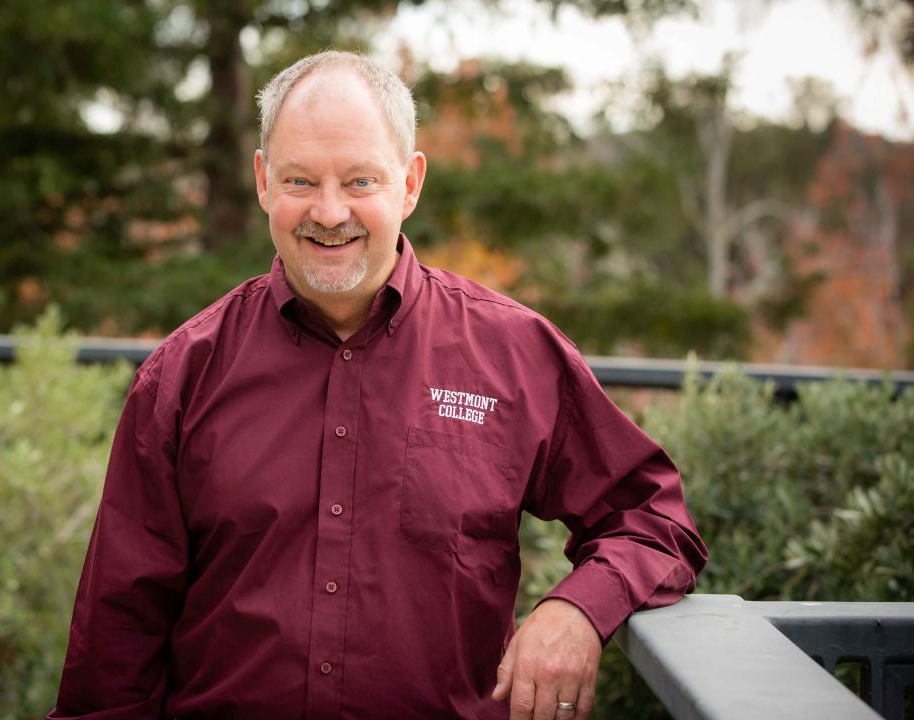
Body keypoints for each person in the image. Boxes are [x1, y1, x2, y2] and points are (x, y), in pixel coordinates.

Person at [47, 50, 707, 720]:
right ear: (263, 182)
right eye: (301, 180)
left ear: (410, 183)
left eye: (360, 181)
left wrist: (578, 610)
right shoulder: (183, 374)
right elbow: (117, 636)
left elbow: (652, 518)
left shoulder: (514, 355)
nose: (330, 212)